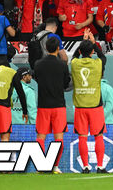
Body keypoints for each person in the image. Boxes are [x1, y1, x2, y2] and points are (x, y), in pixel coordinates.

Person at [71, 31, 108, 173]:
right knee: (98, 136)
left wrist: (83, 42)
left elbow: (74, 55)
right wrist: (93, 42)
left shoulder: (75, 64)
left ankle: (85, 166)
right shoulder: (97, 64)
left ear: (81, 51)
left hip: (80, 106)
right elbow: (103, 56)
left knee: (82, 137)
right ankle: (100, 166)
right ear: (92, 51)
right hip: (95, 106)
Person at [34, 36, 71, 174]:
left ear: (45, 48)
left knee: (41, 137)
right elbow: (66, 83)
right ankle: (55, 166)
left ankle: (41, 166)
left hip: (43, 105)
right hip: (58, 105)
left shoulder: (38, 64)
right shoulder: (62, 65)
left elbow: (37, 78)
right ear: (57, 48)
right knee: (59, 137)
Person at [0, 57, 29, 142]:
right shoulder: (12, 73)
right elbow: (21, 93)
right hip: (4, 107)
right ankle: (4, 154)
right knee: (5, 136)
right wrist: (25, 112)